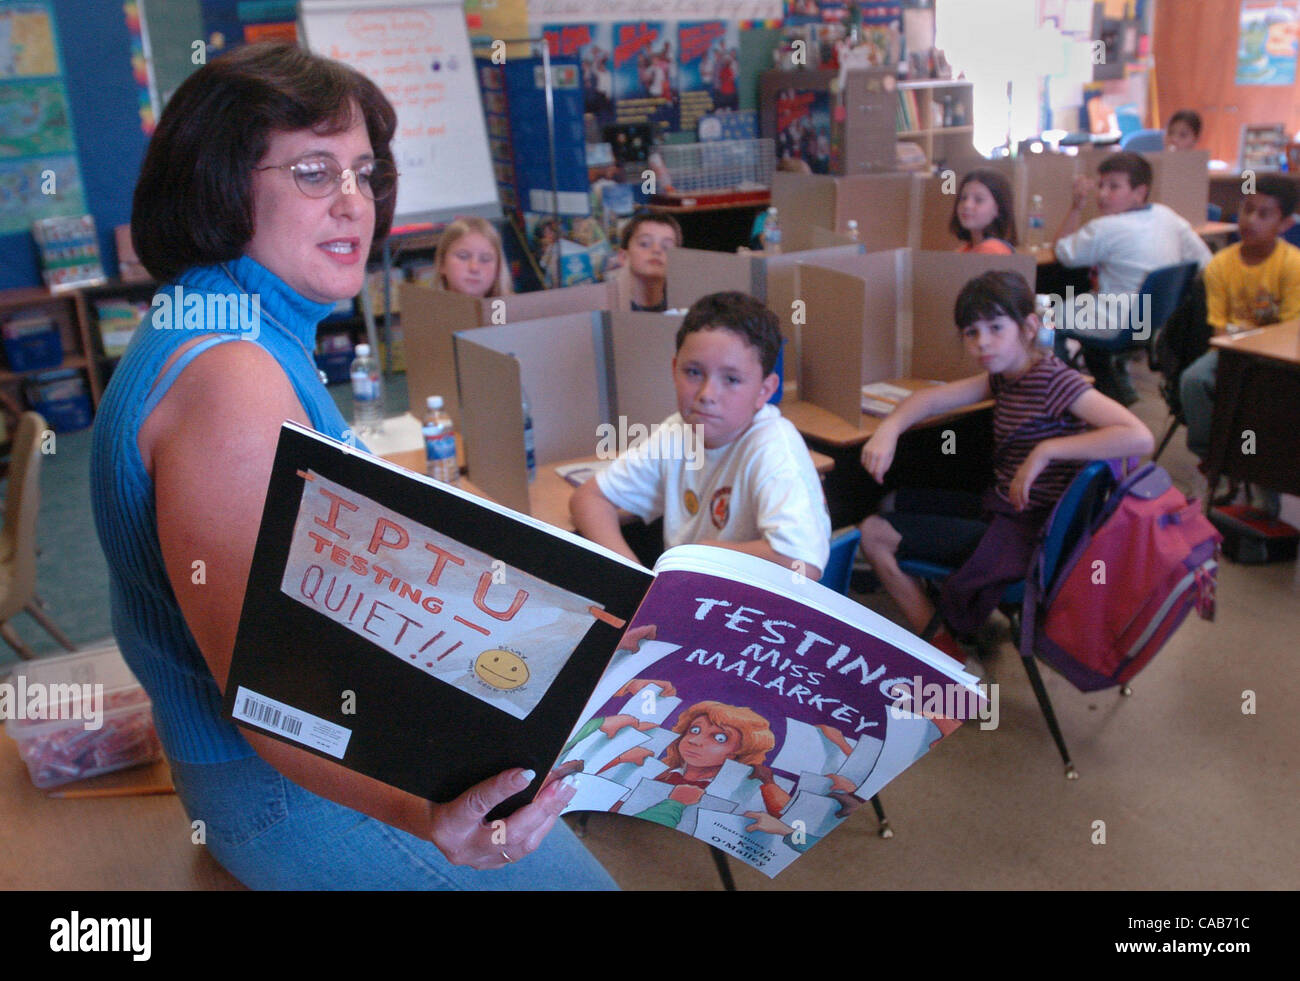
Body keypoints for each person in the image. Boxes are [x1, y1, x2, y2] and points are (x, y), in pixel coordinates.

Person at [90, 42, 611, 890]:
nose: (353, 204)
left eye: (365, 174)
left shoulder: (232, 322)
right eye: (312, 172)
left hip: (319, 747)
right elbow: (274, 698)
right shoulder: (231, 381)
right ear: (221, 181)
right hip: (274, 785)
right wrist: (426, 817)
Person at [857, 271, 1153, 656]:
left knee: (873, 533)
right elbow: (931, 400)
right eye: (971, 332)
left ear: (1029, 327)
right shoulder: (1006, 377)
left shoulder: (1053, 380)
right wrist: (891, 427)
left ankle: (943, 653)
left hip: (1030, 534)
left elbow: (1139, 435)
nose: (982, 343)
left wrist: (1046, 450)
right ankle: (952, 619)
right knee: (891, 503)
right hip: (1007, 511)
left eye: (996, 328)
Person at [570, 290, 830, 580]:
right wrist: (636, 580)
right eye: (693, 372)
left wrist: (706, 553)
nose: (707, 395)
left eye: (731, 379)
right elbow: (589, 498)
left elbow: (803, 565)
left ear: (764, 391)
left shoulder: (771, 448)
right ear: (674, 369)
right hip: (685, 589)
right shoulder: (678, 432)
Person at [1053, 151, 1212, 405]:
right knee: (1084, 306)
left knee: (1043, 313)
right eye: (1101, 184)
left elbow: (1062, 252)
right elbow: (1204, 260)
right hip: (1159, 324)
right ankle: (1113, 387)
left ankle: (1062, 394)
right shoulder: (1165, 215)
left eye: (1114, 186)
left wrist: (1076, 207)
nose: (1103, 194)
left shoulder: (1104, 228)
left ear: (1140, 192)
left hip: (1120, 322)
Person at [1180, 175, 1300, 506]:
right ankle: (1215, 457)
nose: (1250, 220)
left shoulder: (1292, 265)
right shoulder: (1220, 265)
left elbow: (1290, 330)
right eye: (1247, 210)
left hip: (1278, 358)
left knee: (1265, 405)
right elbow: (1219, 330)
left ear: (1286, 223)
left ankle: (1261, 479)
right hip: (1233, 351)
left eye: (1264, 214)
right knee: (1193, 380)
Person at [613, 210, 682, 312]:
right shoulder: (606, 309)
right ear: (623, 257)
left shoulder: (684, 312)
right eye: (644, 244)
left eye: (666, 247)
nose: (657, 250)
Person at [432, 216, 512, 298]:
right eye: (463, 257)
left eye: (485, 259)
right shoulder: (423, 309)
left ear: (498, 268)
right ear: (442, 263)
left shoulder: (513, 309)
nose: (474, 268)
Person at [950, 169, 1017, 255]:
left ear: (998, 208)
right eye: (963, 198)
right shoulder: (967, 249)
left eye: (978, 200)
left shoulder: (992, 251)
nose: (967, 205)